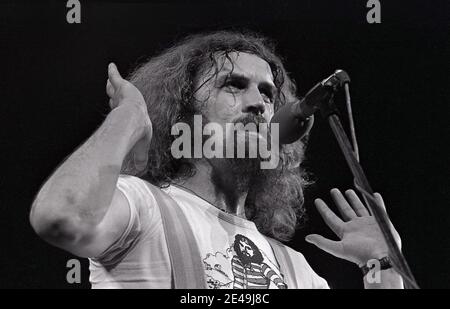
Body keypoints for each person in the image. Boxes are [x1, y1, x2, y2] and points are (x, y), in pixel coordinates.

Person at [29, 31, 402, 289]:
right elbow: (61, 218)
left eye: (268, 94)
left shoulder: (296, 269)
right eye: (234, 85)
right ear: (182, 111)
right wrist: (127, 118)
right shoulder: (142, 208)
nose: (259, 103)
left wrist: (383, 264)